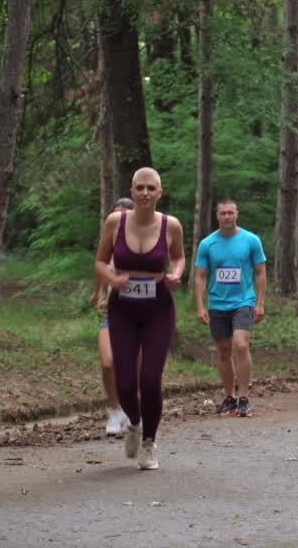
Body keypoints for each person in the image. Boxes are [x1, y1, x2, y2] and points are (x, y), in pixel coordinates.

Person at [93, 168, 185, 470]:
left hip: (158, 308)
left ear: (160, 192)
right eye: (139, 188)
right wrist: (112, 279)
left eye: (151, 188)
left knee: (150, 380)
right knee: (125, 382)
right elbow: (100, 261)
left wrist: (176, 275)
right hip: (123, 309)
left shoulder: (171, 225)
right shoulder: (115, 223)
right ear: (132, 192)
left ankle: (149, 443)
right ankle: (133, 422)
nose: (145, 193)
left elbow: (179, 257)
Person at [194, 198, 267, 418]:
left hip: (243, 301)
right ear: (217, 216)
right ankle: (229, 397)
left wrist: (260, 303)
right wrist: (200, 306)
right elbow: (199, 276)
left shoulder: (251, 240)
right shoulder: (207, 244)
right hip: (217, 303)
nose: (227, 217)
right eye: (223, 213)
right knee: (224, 350)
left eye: (230, 213)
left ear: (237, 214)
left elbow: (260, 272)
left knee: (241, 345)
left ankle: (244, 397)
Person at [93, 197, 136, 437]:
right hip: (113, 309)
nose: (120, 220)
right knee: (108, 362)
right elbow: (101, 267)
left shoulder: (146, 240)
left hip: (141, 311)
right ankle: (115, 408)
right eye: (116, 215)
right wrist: (98, 292)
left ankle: (133, 409)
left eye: (125, 215)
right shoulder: (107, 243)